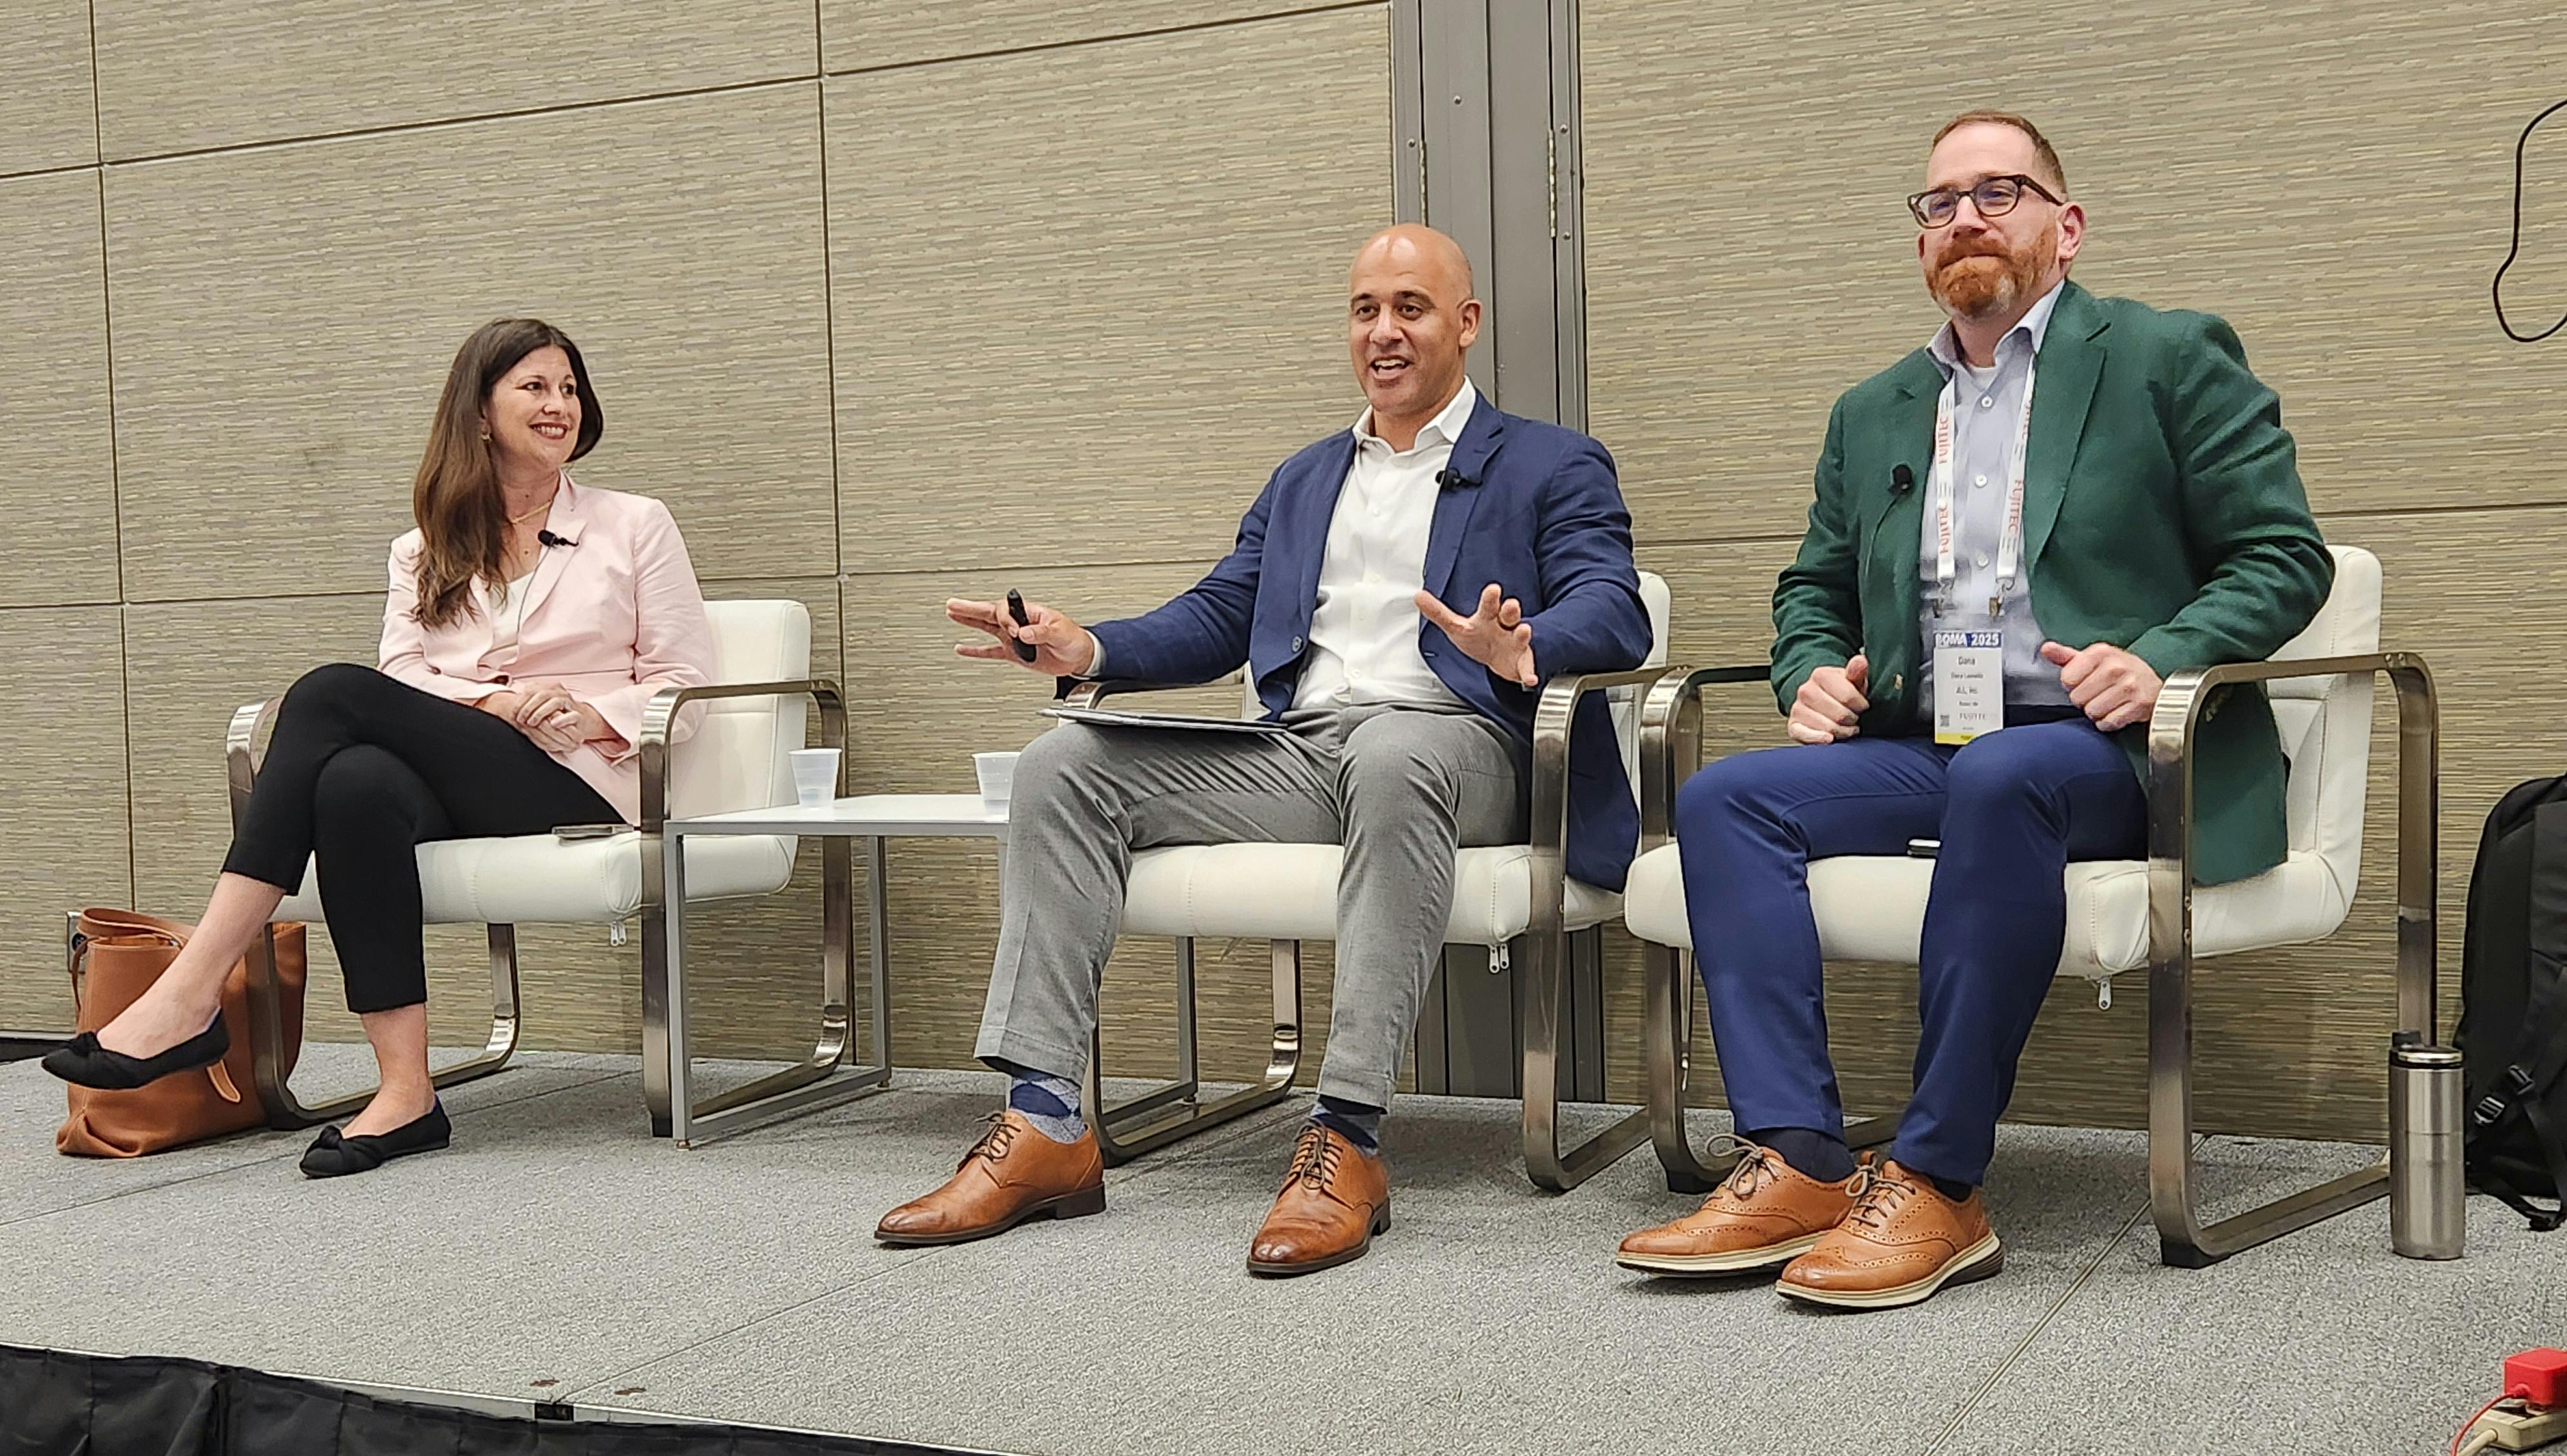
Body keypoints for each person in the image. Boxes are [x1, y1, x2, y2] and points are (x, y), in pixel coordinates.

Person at [1614, 111, 2333, 1309]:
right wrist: (1810, 674)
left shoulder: (2166, 356)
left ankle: (1942, 1181)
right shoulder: (1876, 408)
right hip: (1932, 738)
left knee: (2007, 775)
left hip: (2118, 750)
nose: (1965, 220)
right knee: (1724, 797)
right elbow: (1812, 586)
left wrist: (2160, 657)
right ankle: (1798, 1156)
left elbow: (2281, 557)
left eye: (2000, 192)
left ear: (2068, 223)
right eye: (1939, 202)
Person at [876, 225, 1650, 1276]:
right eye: (1365, 308)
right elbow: (1221, 612)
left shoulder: (1552, 461)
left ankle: (1347, 1137)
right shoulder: (1305, 477)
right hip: (1303, 750)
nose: (1384, 331)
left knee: (1392, 754)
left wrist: (1526, 645)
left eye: (1411, 308)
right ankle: (1048, 1118)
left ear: (1466, 324)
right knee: (1066, 765)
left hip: (1467, 747)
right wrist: (1088, 643)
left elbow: (1615, 609)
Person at [44, 318, 717, 1179]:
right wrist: (498, 701)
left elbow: (684, 684)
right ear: (478, 413)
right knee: (353, 783)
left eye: (569, 389)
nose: (559, 406)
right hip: (469, 765)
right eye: (535, 388)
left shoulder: (634, 524)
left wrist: (584, 712)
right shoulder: (424, 547)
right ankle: (406, 1092)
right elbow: (406, 679)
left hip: (582, 775)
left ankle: (191, 988)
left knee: (330, 693)